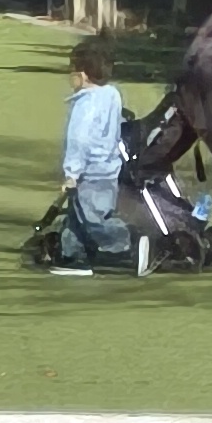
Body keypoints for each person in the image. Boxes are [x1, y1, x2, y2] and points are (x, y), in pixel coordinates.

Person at [53, 37, 127, 274]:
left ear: (82, 74)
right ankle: (72, 256)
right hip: (109, 171)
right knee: (77, 219)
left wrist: (71, 174)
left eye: (71, 71)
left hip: (90, 174)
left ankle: (123, 246)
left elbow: (79, 140)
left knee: (93, 220)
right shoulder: (112, 95)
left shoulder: (85, 105)